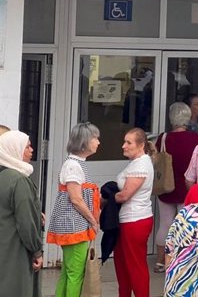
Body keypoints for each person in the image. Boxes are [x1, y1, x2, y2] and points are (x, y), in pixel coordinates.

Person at [46, 123, 101, 296]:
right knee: (75, 274)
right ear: (84, 141)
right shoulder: (73, 166)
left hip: (74, 225)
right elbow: (76, 199)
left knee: (68, 272)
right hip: (73, 226)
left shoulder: (76, 163)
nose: (98, 142)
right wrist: (93, 222)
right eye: (95, 138)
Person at [152, 103, 198, 272]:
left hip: (166, 187)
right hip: (186, 189)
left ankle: (160, 261)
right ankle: (181, 261)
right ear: (187, 118)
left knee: (165, 224)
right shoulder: (195, 139)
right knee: (185, 226)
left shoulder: (163, 138)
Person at [0, 131, 43, 297]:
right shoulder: (18, 180)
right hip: (15, 252)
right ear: (14, 149)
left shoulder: (4, 176)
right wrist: (36, 250)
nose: (31, 150)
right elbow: (26, 221)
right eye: (27, 146)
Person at [113, 128, 155, 297]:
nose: (124, 146)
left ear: (141, 145)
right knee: (122, 264)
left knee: (135, 266)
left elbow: (125, 195)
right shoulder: (136, 163)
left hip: (135, 220)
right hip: (129, 219)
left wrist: (107, 199)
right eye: (124, 141)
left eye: (129, 142)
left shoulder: (142, 164)